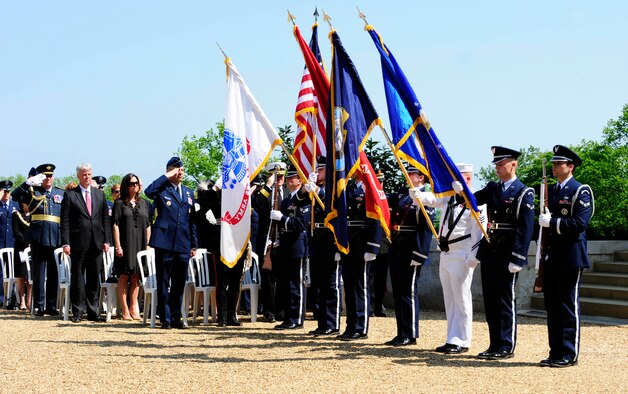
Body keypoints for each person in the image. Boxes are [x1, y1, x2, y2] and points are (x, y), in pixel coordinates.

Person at [418, 163, 487, 354]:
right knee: (449, 298)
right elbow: (433, 200)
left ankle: (463, 339)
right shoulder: (450, 198)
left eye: (457, 178)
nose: (452, 182)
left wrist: (474, 255)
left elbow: (479, 231)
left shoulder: (476, 200)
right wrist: (418, 195)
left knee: (462, 298)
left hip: (462, 252)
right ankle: (452, 337)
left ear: (467, 179)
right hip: (446, 251)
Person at [473, 146, 535, 360]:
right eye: (496, 164)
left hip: (508, 252)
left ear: (513, 164)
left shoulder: (523, 192)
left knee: (505, 299)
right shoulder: (493, 188)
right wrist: (458, 187)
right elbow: (471, 200)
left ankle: (506, 345)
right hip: (490, 250)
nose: (497, 168)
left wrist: (518, 256)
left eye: (501, 164)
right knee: (490, 299)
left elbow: (525, 228)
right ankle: (494, 344)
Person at [538, 145, 593, 368]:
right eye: (553, 163)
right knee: (552, 305)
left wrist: (553, 223)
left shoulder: (581, 191)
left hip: (571, 255)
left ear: (570, 167)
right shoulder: (551, 191)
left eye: (558, 163)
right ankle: (556, 351)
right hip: (553, 255)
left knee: (568, 305)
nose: (554, 166)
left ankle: (569, 353)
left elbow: (580, 223)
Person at [144, 157, 197, 329]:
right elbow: (148, 192)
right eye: (177, 169)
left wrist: (194, 244)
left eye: (182, 169)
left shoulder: (188, 192)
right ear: (170, 170)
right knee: (164, 281)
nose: (180, 172)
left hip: (183, 242)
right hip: (164, 241)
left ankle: (176, 317)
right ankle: (165, 319)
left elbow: (192, 221)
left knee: (179, 282)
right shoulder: (162, 189)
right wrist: (167, 176)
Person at [386, 166, 434, 346]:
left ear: (421, 178)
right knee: (398, 292)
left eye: (411, 173)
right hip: (398, 247)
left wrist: (419, 253)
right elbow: (382, 198)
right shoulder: (402, 195)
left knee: (408, 292)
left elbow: (425, 228)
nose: (407, 176)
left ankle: (410, 333)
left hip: (411, 249)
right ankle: (401, 332)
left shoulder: (425, 198)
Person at [61, 163, 112, 323]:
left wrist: (107, 240)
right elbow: (65, 221)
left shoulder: (99, 195)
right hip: (77, 242)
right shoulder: (70, 195)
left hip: (96, 242)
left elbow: (105, 219)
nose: (87, 177)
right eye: (84, 174)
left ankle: (93, 311)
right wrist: (65, 242)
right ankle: (77, 312)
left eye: (89, 174)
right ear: (78, 176)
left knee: (93, 278)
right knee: (77, 277)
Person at [11, 164, 63, 316]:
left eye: (50, 176)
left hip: (55, 237)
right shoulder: (33, 192)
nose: (48, 178)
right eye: (45, 176)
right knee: (38, 273)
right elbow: (15, 196)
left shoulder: (60, 193)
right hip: (38, 237)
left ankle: (51, 306)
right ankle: (39, 305)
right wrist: (27, 183)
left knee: (53, 273)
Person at [337, 176, 384, 341]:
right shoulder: (350, 187)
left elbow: (377, 218)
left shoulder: (370, 188)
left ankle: (360, 327)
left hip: (362, 243)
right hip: (348, 243)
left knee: (360, 286)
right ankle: (351, 325)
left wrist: (373, 247)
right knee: (349, 286)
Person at [271, 164, 310, 330]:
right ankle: (288, 317)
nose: (287, 180)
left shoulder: (304, 199)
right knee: (286, 284)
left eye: (291, 178)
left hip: (297, 245)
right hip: (286, 244)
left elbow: (301, 224)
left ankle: (296, 318)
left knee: (295, 284)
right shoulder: (287, 199)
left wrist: (282, 218)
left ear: (299, 181)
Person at [306, 158, 342, 336]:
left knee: (330, 284)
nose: (318, 173)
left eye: (321, 170)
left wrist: (318, 191)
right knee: (318, 284)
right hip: (317, 238)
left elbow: (332, 203)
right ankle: (321, 321)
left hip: (330, 238)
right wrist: (311, 188)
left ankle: (332, 322)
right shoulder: (315, 189)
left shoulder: (335, 188)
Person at [112, 173, 151, 321]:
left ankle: (134, 307)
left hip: (140, 243)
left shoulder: (144, 204)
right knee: (124, 275)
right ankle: (124, 309)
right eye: (132, 183)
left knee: (136, 277)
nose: (135, 186)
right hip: (125, 243)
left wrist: (148, 244)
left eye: (137, 183)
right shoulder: (119, 203)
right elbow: (115, 225)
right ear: (126, 186)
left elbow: (148, 225)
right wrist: (118, 246)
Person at [1, 180, 19, 307]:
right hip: (0, 242)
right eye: (4, 191)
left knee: (13, 272)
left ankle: (12, 298)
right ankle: (1, 298)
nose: (6, 193)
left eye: (8, 191)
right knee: (0, 273)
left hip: (12, 242)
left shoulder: (15, 205)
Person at [12, 201, 32, 311]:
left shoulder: (34, 214)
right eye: (26, 202)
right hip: (20, 247)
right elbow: (16, 231)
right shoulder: (16, 214)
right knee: (21, 275)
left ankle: (29, 300)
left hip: (33, 249)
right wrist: (26, 242)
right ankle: (22, 301)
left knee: (30, 276)